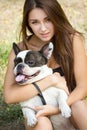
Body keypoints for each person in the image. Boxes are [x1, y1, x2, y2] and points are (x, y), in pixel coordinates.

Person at [4, 0, 87, 130]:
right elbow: (9, 97)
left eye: (48, 20)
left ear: (57, 17)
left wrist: (55, 109)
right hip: (38, 111)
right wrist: (50, 81)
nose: (43, 28)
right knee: (41, 122)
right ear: (28, 24)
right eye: (35, 22)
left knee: (79, 105)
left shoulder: (72, 40)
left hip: (67, 105)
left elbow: (83, 87)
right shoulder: (21, 50)